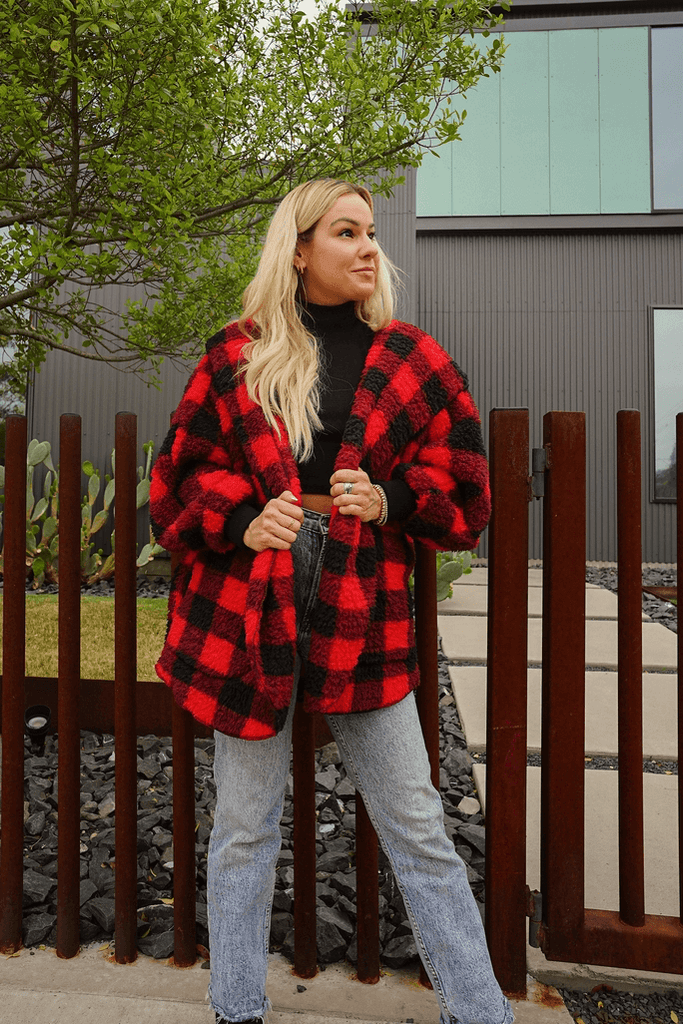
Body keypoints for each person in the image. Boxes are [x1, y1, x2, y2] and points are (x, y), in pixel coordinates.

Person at [149, 179, 511, 1024]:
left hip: (363, 607)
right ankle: (235, 1007)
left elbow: (465, 486)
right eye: (345, 232)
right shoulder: (235, 356)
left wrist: (388, 498)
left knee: (417, 823)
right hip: (248, 608)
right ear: (299, 248)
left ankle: (479, 1011)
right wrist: (243, 519)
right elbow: (175, 481)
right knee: (243, 829)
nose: (366, 248)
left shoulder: (413, 358)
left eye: (371, 233)